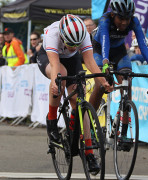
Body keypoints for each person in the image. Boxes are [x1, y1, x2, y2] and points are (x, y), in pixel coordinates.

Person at [36, 14, 111, 172]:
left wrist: (103, 81)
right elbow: (55, 65)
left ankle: (89, 152)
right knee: (60, 77)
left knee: (80, 101)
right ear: (62, 36)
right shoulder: (52, 34)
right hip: (50, 58)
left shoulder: (82, 33)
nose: (73, 46)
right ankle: (51, 121)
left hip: (72, 60)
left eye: (76, 44)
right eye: (70, 43)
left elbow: (89, 61)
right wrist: (55, 83)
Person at [90, 0, 148, 140]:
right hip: (100, 49)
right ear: (113, 14)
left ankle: (124, 131)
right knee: (101, 84)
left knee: (127, 83)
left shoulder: (134, 21)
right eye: (121, 18)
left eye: (127, 18)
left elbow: (142, 44)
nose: (125, 23)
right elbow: (105, 42)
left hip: (119, 51)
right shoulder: (105, 20)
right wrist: (106, 64)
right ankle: (89, 123)